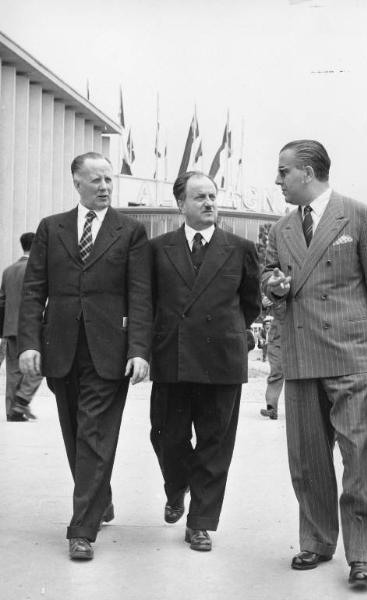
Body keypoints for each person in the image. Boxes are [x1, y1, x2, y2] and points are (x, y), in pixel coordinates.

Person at [262, 140, 367, 586]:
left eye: (283, 172)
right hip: (301, 355)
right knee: (306, 458)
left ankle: (362, 556)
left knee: (356, 458)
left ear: (308, 172)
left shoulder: (357, 215)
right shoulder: (280, 229)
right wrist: (275, 284)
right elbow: (269, 274)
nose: (277, 180)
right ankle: (317, 541)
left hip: (351, 355)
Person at [18, 152, 153, 561]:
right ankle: (100, 496)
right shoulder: (51, 228)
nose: (105, 187)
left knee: (94, 432)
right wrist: (29, 342)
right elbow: (33, 289)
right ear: (76, 182)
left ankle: (82, 530)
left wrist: (140, 351)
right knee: (75, 432)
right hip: (60, 348)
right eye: (95, 180)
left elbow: (141, 295)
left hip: (109, 351)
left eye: (109, 179)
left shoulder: (130, 231)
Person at [149, 171, 260, 552]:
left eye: (213, 196)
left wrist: (229, 334)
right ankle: (176, 487)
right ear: (181, 204)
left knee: (215, 443)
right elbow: (149, 303)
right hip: (172, 358)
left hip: (221, 359)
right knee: (166, 436)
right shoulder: (158, 248)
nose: (209, 203)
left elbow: (251, 304)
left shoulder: (241, 248)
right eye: (199, 197)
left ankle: (200, 522)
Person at [0, 233, 43, 421]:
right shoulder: (37, 269)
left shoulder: (8, 271)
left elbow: (2, 302)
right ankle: (22, 400)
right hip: (32, 328)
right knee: (39, 366)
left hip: (10, 328)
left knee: (13, 371)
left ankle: (12, 411)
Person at [259, 298, 284, 420]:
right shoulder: (275, 284)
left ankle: (302, 410)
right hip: (276, 340)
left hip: (298, 338)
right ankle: (272, 408)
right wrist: (263, 305)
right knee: (276, 373)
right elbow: (261, 312)